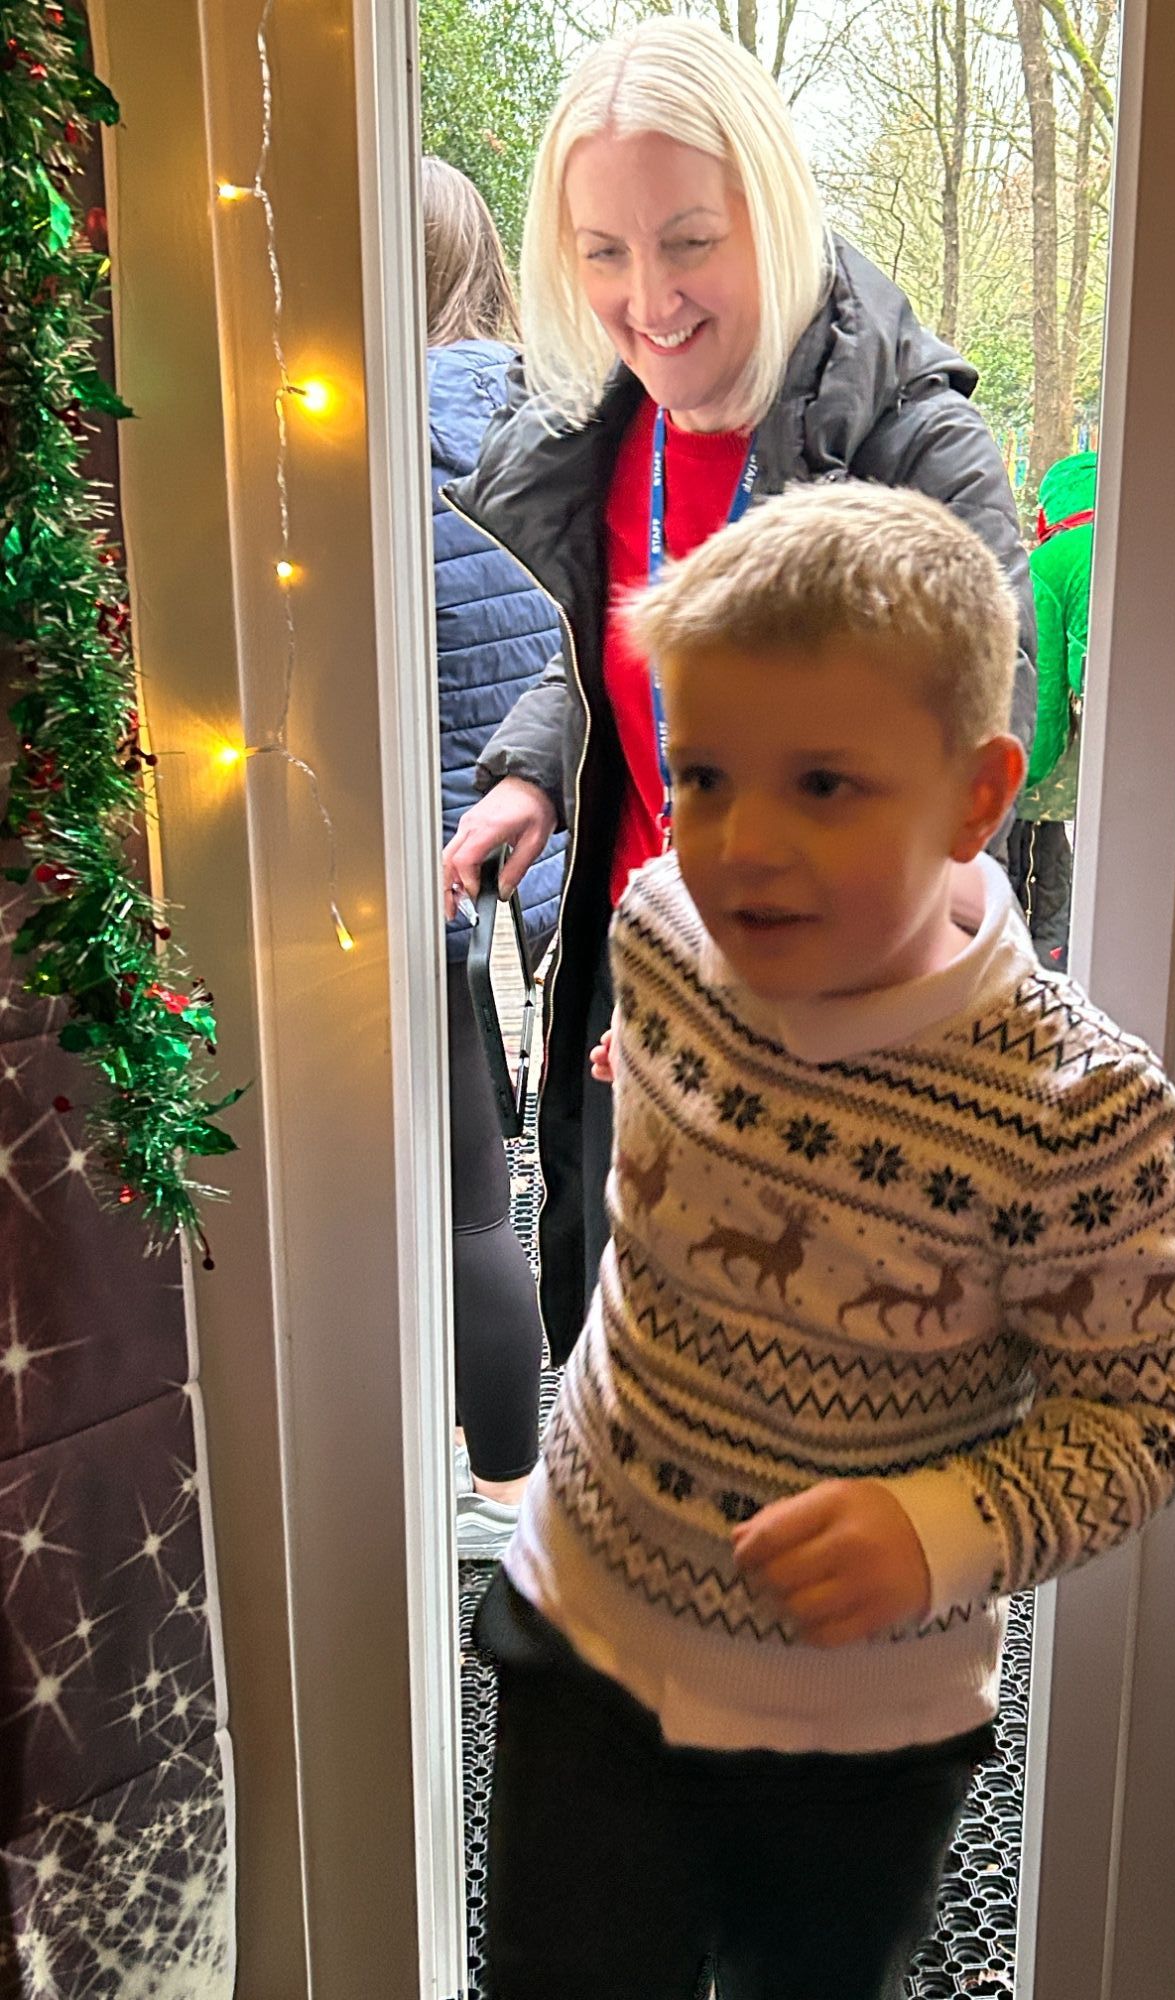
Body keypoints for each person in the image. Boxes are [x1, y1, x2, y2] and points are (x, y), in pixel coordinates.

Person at [477, 482, 1175, 2000]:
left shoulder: (1080, 1114)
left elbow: (1148, 1420)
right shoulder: (661, 927)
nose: (740, 843)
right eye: (700, 773)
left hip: (849, 1733)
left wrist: (940, 1528)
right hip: (586, 1620)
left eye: (824, 785)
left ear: (976, 795)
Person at [441, 19, 1039, 1370]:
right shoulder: (613, 423)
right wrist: (539, 769)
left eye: (689, 240)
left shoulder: (912, 445)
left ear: (769, 213)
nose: (648, 298)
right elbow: (630, 651)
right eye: (605, 252)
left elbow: (963, 774)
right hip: (633, 1008)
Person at [423, 156, 564, 1553]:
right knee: (558, 1180)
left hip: (434, 859)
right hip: (577, 844)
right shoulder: (555, 415)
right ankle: (548, 1478)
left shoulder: (342, 441)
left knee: (466, 1202)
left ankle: (498, 1497)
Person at [1007, 449, 1096, 968]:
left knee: (1030, 836)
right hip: (1104, 740)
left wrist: (1029, 759)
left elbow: (1041, 670)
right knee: (1063, 845)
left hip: (1054, 740)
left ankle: (1032, 949)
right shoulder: (1129, 545)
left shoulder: (1049, 561)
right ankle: (1060, 939)